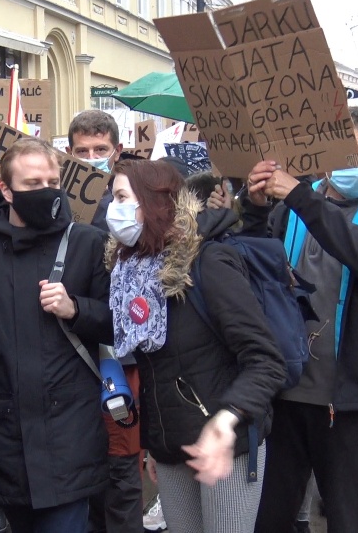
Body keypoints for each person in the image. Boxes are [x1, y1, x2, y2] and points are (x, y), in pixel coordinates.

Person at [242, 107, 358, 533]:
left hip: (350, 399)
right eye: (348, 155)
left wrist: (302, 198)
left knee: (346, 517)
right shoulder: (290, 206)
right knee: (270, 516)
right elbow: (252, 258)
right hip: (286, 393)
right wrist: (253, 207)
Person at [106, 159, 285, 533]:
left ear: (154, 203)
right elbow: (156, 367)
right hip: (173, 450)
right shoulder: (132, 272)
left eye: (122, 197)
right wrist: (155, 442)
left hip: (227, 445)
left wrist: (227, 419)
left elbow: (265, 360)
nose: (113, 208)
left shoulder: (209, 262)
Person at [0, 138, 112, 533]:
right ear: (6, 190)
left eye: (53, 181)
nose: (46, 191)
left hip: (70, 439)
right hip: (0, 444)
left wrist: (77, 309)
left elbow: (119, 325)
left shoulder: (87, 242)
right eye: (33, 183)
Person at [66, 109, 143, 533]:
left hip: (122, 361)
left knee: (121, 471)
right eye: (82, 150)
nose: (91, 156)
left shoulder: (128, 208)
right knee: (87, 470)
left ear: (114, 152)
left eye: (99, 149)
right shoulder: (58, 207)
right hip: (74, 360)